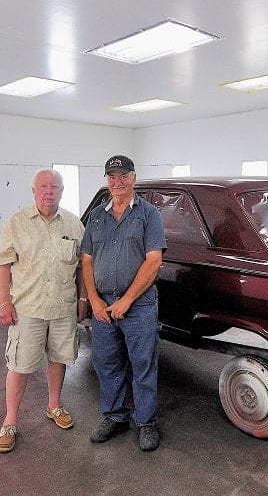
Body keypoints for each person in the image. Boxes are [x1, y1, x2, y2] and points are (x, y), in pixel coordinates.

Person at [0, 168, 88, 453]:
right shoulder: (16, 223)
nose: (49, 191)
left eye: (55, 187)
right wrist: (3, 303)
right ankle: (10, 421)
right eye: (43, 186)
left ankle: (54, 405)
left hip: (63, 307)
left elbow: (82, 268)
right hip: (28, 308)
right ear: (34, 191)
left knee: (58, 358)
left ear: (62, 191)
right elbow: (3, 265)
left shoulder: (74, 225)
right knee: (19, 365)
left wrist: (83, 300)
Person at [81, 155, 167, 451]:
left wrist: (127, 300)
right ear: (107, 180)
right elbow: (87, 261)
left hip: (140, 306)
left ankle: (146, 423)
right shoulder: (96, 217)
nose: (117, 182)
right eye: (112, 177)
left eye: (123, 176)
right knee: (106, 364)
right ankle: (114, 417)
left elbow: (154, 261)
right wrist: (93, 300)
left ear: (133, 177)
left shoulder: (149, 215)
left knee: (143, 365)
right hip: (103, 305)